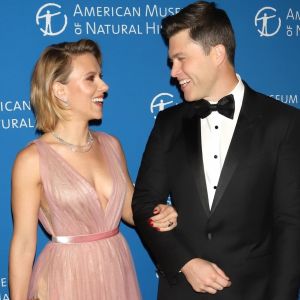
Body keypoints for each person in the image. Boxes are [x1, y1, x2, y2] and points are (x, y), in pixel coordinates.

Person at [132, 1, 300, 299]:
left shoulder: (283, 122)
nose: (174, 72)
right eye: (172, 61)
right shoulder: (168, 123)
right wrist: (185, 262)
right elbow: (144, 203)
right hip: (181, 289)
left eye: (181, 59)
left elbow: (290, 224)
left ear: (217, 53)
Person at [9, 39, 178, 300]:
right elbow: (22, 245)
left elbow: (131, 210)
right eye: (91, 78)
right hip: (65, 278)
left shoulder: (111, 145)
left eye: (101, 76)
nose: (104, 86)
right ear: (59, 91)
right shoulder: (32, 159)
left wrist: (158, 212)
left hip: (115, 269)